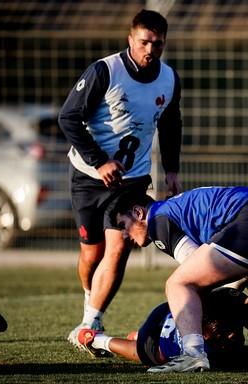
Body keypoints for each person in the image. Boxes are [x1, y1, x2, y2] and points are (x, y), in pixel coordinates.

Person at [58, 9, 183, 354]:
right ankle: (90, 297)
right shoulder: (105, 71)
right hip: (88, 177)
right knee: (91, 253)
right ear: (131, 40)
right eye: (144, 42)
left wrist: (171, 169)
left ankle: (90, 321)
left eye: (157, 44)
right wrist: (99, 163)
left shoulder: (169, 79)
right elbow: (68, 117)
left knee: (119, 246)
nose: (150, 50)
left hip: (132, 179)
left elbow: (171, 124)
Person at [113, 186, 248, 373]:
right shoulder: (175, 208)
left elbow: (196, 269)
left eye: (123, 226)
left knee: (178, 284)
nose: (123, 235)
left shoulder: (158, 221)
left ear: (138, 212)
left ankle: (193, 355)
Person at [77, 285, 248, 370]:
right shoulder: (215, 354)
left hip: (166, 310)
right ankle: (97, 339)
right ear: (206, 337)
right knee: (140, 352)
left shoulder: (217, 307)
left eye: (228, 328)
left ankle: (135, 333)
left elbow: (244, 306)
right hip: (156, 342)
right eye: (223, 334)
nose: (233, 333)